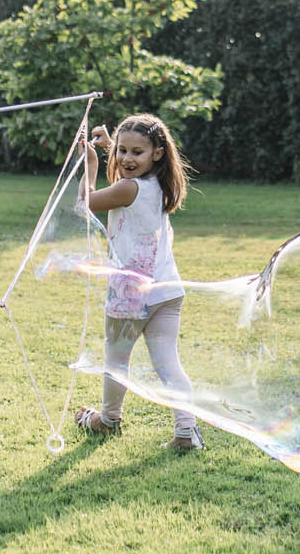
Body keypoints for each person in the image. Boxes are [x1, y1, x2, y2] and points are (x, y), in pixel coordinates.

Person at [74, 113, 206, 452]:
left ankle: (108, 419)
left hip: (130, 296)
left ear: (157, 153)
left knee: (116, 361)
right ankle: (186, 432)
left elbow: (86, 203)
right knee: (168, 364)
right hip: (166, 291)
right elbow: (123, 187)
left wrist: (89, 162)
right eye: (122, 151)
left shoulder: (129, 188)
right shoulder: (160, 184)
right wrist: (108, 152)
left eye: (137, 152)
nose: (126, 159)